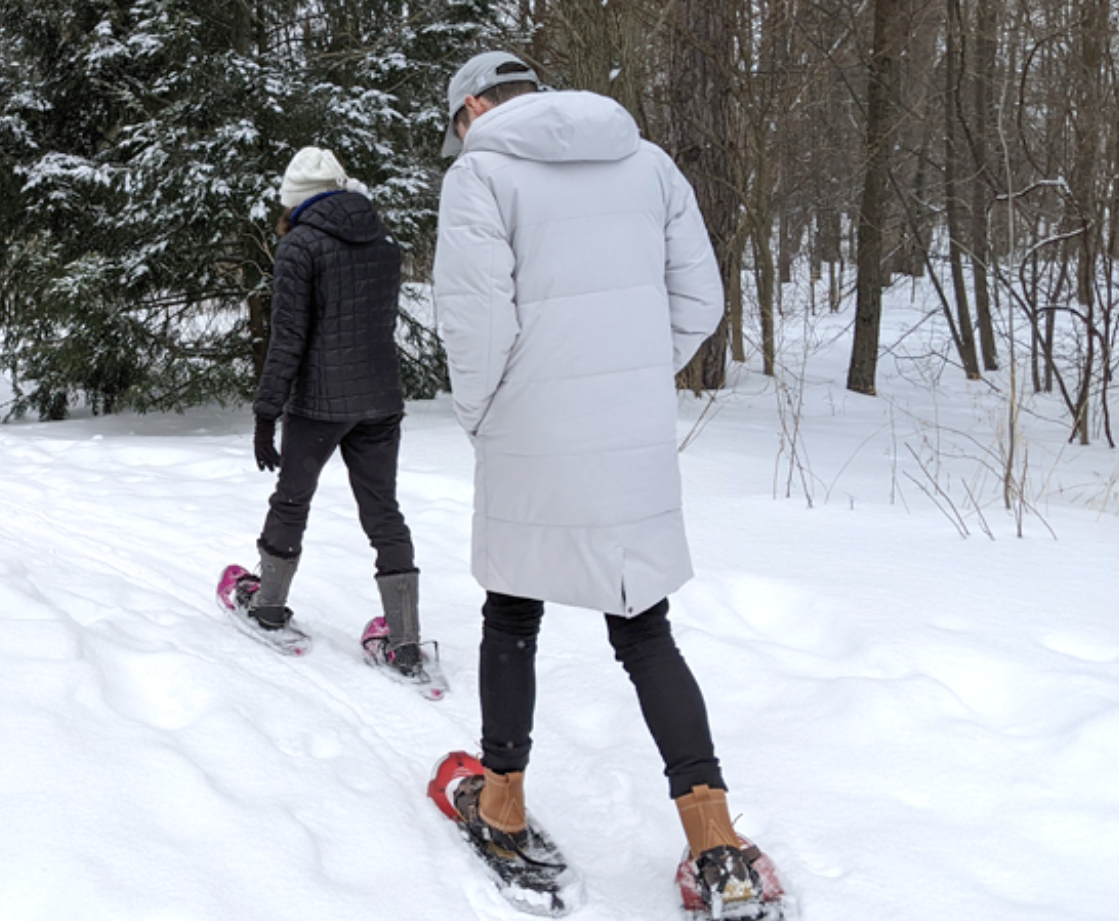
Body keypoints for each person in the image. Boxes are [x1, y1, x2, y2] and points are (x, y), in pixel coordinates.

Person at [431, 52, 777, 916]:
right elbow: (700, 300)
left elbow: (475, 321)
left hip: (527, 428)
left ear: (473, 106)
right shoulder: (648, 161)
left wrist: (485, 414)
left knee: (512, 611)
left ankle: (502, 804)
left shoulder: (480, 175)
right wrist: (627, 374)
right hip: (629, 433)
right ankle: (714, 841)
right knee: (644, 628)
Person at [241, 146, 428, 680]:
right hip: (380, 401)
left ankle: (270, 605)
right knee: (383, 511)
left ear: (295, 200)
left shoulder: (300, 246)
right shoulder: (384, 242)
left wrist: (265, 412)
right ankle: (405, 638)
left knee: (293, 499)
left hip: (320, 404)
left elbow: (288, 339)